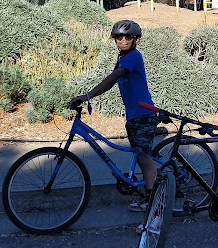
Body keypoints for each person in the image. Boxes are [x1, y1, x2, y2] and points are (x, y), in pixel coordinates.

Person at [67, 19, 157, 212]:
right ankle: (150, 192)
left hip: (143, 113)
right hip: (134, 115)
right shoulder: (123, 58)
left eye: (127, 37)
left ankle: (152, 203)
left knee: (144, 159)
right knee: (140, 156)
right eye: (118, 37)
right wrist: (89, 96)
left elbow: (113, 77)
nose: (123, 40)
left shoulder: (133, 56)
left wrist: (87, 96)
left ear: (136, 39)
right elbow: (111, 82)